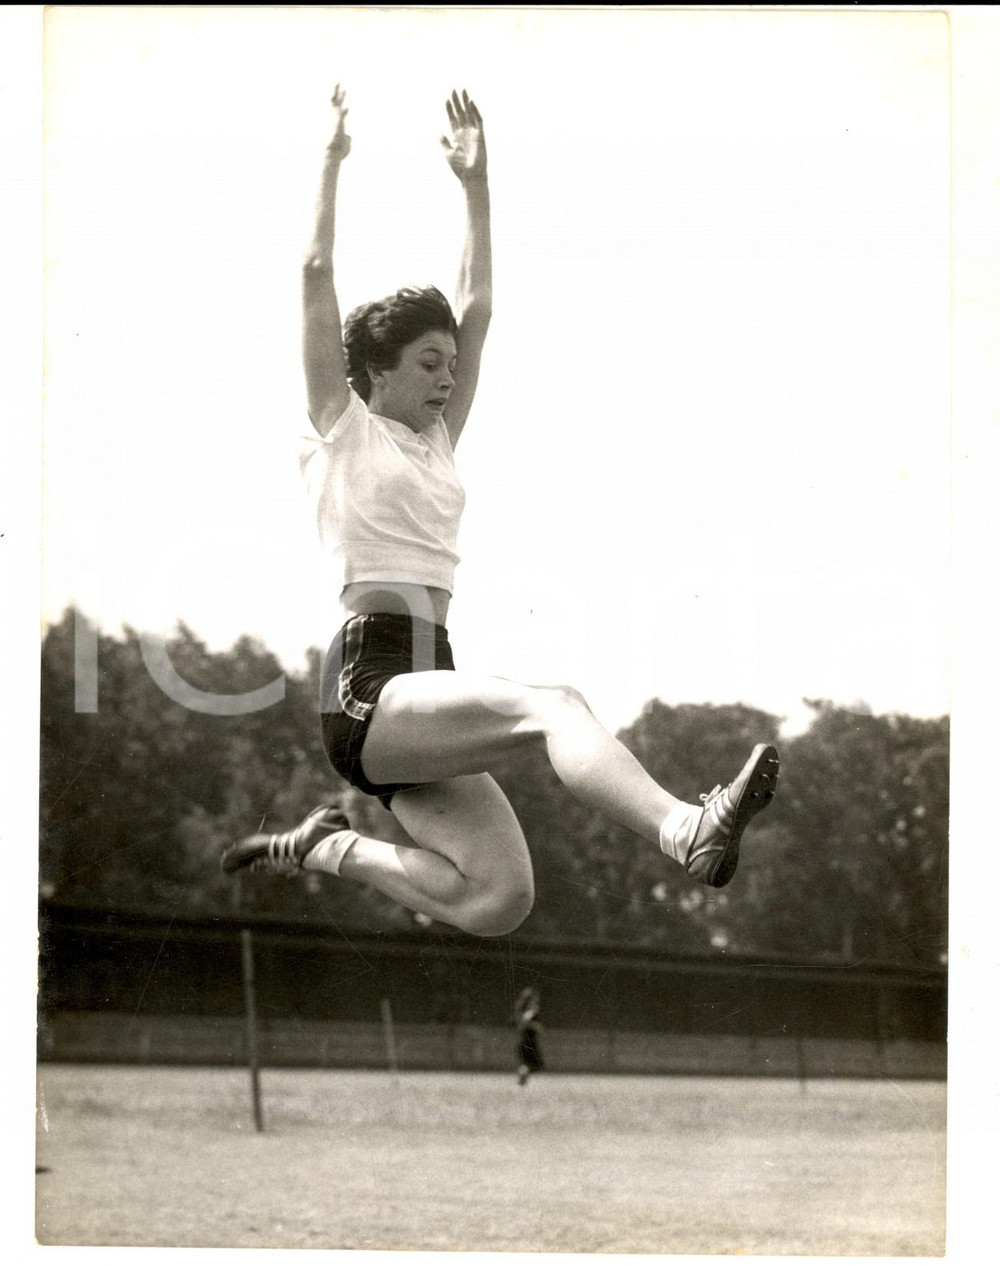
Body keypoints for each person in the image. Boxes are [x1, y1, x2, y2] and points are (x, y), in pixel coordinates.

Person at [221, 86, 780, 938]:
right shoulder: (344, 428)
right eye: (429, 363)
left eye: (452, 365)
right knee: (553, 705)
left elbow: (478, 304)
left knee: (499, 899)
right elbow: (313, 274)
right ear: (375, 370)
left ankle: (327, 847)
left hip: (427, 676)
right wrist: (330, 163)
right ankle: (682, 827)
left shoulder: (437, 441)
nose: (448, 378)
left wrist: (475, 186)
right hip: (367, 683)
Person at [514, 986, 545, 1086]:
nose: (537, 1000)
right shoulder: (530, 1012)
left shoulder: (521, 1011)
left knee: (530, 1064)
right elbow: (523, 1024)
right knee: (536, 1065)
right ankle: (522, 1075)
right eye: (535, 999)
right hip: (529, 1042)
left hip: (524, 1041)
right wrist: (536, 1026)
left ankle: (522, 1079)